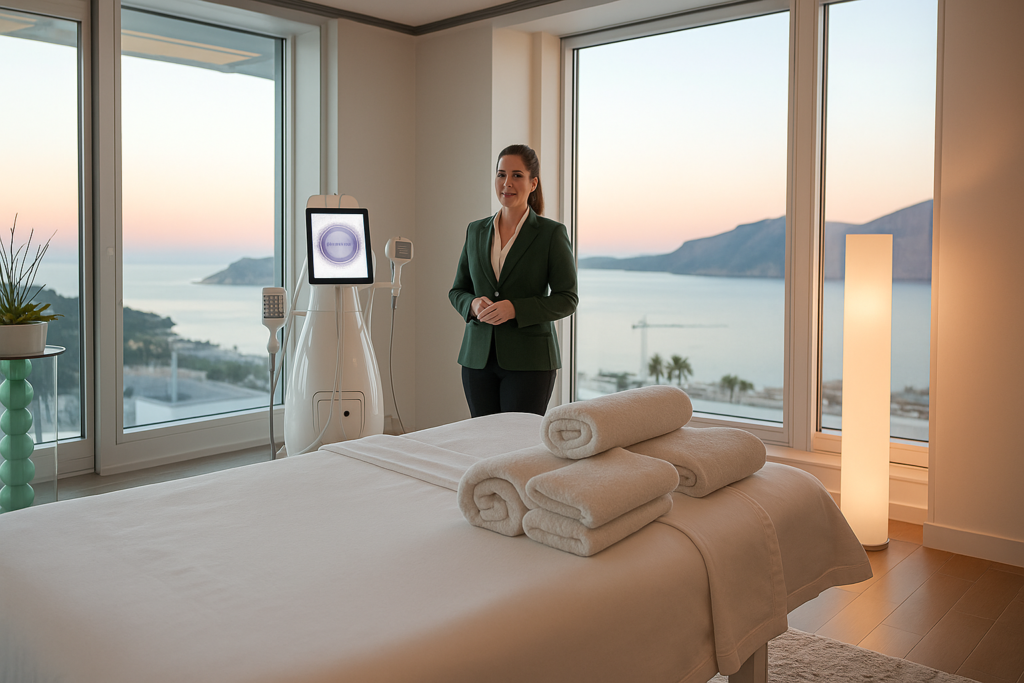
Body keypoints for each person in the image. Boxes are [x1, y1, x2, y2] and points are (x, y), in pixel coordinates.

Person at [449, 144, 578, 417]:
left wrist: (515, 309)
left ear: (533, 183)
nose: (507, 183)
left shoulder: (550, 234)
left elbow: (567, 298)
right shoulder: (475, 230)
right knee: (482, 443)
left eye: (517, 175)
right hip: (477, 360)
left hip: (530, 362)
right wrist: (472, 305)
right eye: (501, 174)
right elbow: (458, 290)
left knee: (517, 448)